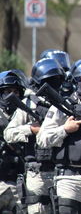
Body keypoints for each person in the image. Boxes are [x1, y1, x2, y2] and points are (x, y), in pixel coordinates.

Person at [36, 57, 81, 214]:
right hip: (69, 179)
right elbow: (42, 139)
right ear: (76, 81)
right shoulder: (61, 106)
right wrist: (65, 129)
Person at [4, 58, 65, 214]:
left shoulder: (63, 104)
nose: (54, 84)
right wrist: (31, 129)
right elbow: (9, 133)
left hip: (60, 172)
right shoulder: (29, 104)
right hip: (37, 173)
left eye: (57, 80)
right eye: (49, 81)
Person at [0, 70, 26, 213]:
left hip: (20, 183)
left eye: (15, 92)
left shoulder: (24, 116)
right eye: (7, 91)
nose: (12, 95)